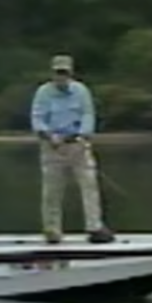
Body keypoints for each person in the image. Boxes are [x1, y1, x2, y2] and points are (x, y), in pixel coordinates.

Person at [30, 55, 115, 244]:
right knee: (52, 190)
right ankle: (52, 230)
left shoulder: (81, 91)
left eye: (64, 73)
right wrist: (49, 136)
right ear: (52, 73)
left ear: (71, 73)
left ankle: (95, 227)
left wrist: (82, 136)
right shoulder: (43, 92)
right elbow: (37, 118)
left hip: (78, 145)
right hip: (52, 146)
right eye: (58, 73)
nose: (61, 77)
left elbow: (88, 115)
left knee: (89, 185)